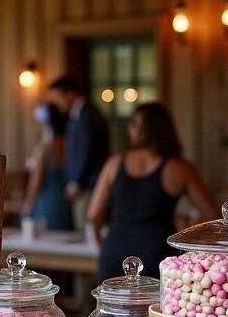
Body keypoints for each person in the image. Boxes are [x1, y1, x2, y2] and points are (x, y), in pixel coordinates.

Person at [88, 102, 218, 281]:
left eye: (134, 124)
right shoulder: (179, 168)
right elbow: (211, 214)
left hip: (115, 249)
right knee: (157, 308)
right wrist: (186, 235)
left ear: (146, 129)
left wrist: (100, 242)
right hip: (159, 252)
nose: (129, 130)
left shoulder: (114, 163)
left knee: (113, 307)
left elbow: (94, 213)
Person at [48, 75, 110, 231]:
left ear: (70, 94)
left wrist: (76, 181)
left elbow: (86, 151)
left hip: (88, 186)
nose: (57, 103)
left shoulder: (87, 114)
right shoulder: (81, 113)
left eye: (58, 98)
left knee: (86, 230)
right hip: (86, 184)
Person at [22, 103, 73, 231]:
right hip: (65, 200)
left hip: (46, 201)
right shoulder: (69, 144)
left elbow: (37, 181)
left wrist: (28, 202)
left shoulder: (45, 149)